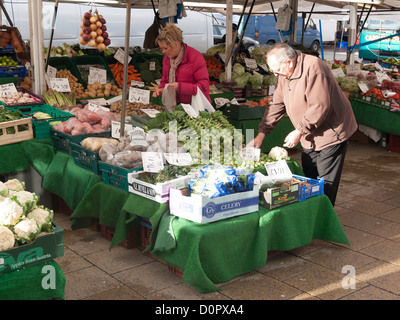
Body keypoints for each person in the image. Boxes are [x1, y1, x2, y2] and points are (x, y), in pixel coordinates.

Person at [247, 43, 357, 206]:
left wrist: (299, 130)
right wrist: (261, 134)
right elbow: (277, 104)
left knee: (325, 183)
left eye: (276, 69)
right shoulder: (284, 75)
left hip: (332, 132)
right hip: (310, 133)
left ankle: (324, 221)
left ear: (289, 62)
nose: (275, 73)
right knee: (309, 179)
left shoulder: (314, 68)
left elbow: (319, 105)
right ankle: (311, 215)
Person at [152, 23, 211, 106]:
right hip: (176, 106)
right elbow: (165, 79)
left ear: (175, 44)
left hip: (195, 107)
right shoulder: (167, 59)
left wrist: (180, 87)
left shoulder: (195, 57)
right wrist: (162, 89)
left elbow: (204, 86)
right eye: (161, 48)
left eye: (165, 48)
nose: (163, 52)